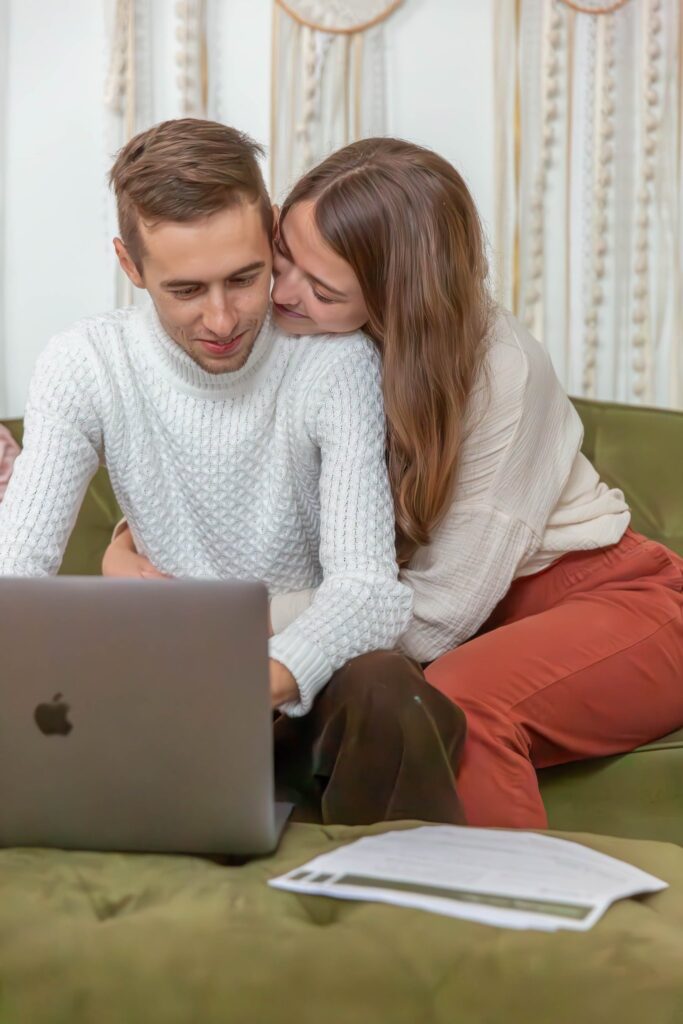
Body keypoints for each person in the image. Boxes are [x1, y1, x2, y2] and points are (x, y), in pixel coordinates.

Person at [108, 135, 683, 831]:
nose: (281, 295)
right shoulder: (273, 331)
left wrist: (236, 615)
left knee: (459, 704)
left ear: (394, 301)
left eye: (322, 289)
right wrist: (127, 542)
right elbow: (202, 456)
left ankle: (504, 927)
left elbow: (437, 614)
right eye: (281, 259)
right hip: (413, 610)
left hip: (602, 599)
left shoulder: (499, 369)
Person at [0, 121, 466, 828]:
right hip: (166, 678)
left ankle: (408, 912)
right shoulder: (84, 364)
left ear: (272, 229)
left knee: (383, 686)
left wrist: (257, 681)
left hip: (302, 677)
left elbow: (369, 593)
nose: (222, 319)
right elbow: (17, 575)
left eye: (245, 278)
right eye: (185, 289)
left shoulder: (333, 363)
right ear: (129, 264)